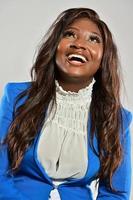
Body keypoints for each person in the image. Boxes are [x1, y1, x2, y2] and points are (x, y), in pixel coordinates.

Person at [0, 7, 132, 200]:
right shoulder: (17, 96)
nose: (79, 44)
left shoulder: (118, 119)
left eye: (93, 39)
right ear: (55, 46)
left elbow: (116, 193)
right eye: (69, 34)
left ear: (104, 57)